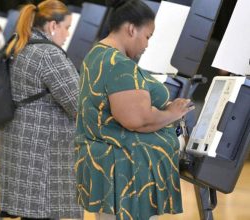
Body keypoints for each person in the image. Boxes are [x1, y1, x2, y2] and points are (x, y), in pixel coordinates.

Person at [74, 0, 194, 219]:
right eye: (147, 36)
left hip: (111, 168)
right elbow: (139, 120)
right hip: (126, 173)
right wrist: (172, 114)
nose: (146, 45)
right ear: (131, 29)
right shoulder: (118, 62)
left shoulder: (96, 54)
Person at [0, 0, 82, 219]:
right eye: (67, 28)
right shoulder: (49, 54)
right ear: (53, 26)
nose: (67, 34)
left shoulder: (19, 45)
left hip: (23, 149)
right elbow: (78, 105)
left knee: (31, 214)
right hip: (43, 158)